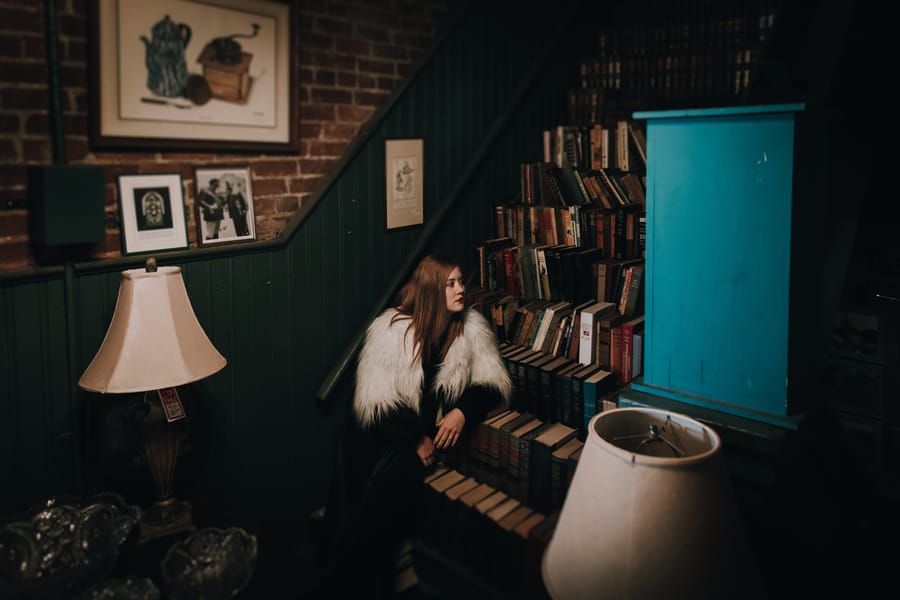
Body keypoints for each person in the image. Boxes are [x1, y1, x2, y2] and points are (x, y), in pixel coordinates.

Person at [317, 254, 512, 598]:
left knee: (394, 493)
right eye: (450, 284)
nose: (461, 290)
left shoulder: (471, 328)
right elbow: (373, 405)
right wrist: (415, 438)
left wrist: (463, 411)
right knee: (375, 500)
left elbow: (493, 383)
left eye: (460, 282)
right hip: (378, 437)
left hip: (420, 436)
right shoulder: (391, 330)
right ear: (430, 290)